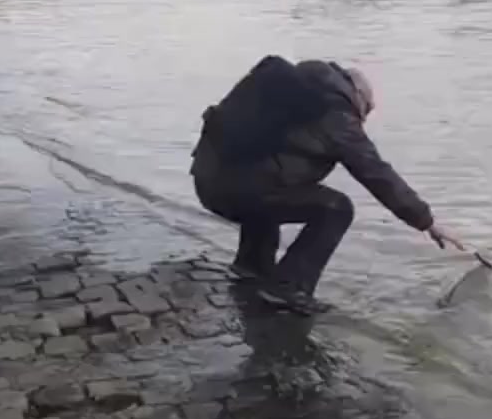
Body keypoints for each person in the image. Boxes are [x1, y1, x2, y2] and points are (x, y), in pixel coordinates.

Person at [191, 55, 464, 314]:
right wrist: (426, 221)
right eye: (367, 110)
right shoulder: (336, 113)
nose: (363, 120)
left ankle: (251, 271)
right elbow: (375, 171)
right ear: (357, 95)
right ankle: (288, 288)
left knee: (271, 187)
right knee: (336, 208)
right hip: (235, 190)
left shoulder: (296, 91)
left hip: (209, 179)